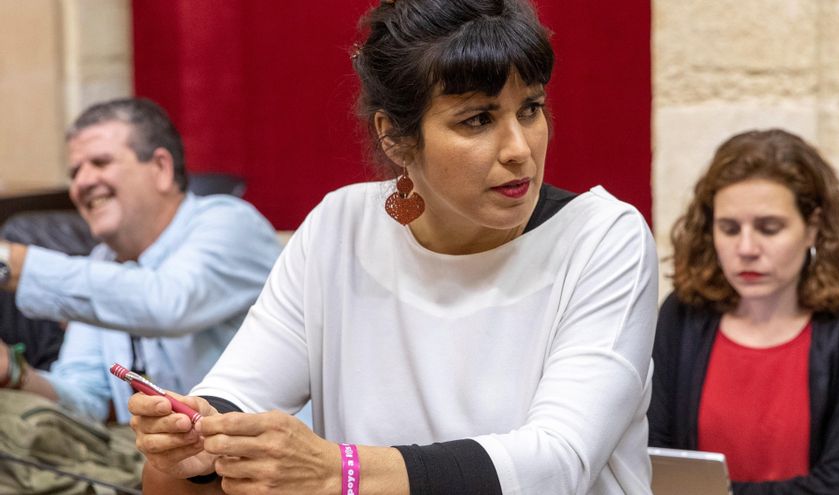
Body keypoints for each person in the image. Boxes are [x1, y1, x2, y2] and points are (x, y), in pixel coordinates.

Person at [129, 1, 659, 494]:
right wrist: (193, 433)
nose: (520, 149)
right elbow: (239, 392)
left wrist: (345, 470)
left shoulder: (604, 238)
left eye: (530, 109)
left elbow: (558, 460)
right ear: (395, 137)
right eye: (478, 119)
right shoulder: (340, 226)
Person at [0, 97, 280, 424]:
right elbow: (88, 400)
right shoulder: (102, 263)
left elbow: (168, 303)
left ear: (161, 168)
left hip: (265, 458)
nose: (82, 183)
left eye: (101, 163)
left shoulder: (229, 223)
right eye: (75, 172)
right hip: (162, 468)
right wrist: (14, 372)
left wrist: (10, 261)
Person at [648, 129, 839, 494]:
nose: (746, 248)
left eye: (769, 228)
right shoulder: (682, 314)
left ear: (812, 229)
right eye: (728, 228)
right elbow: (653, 464)